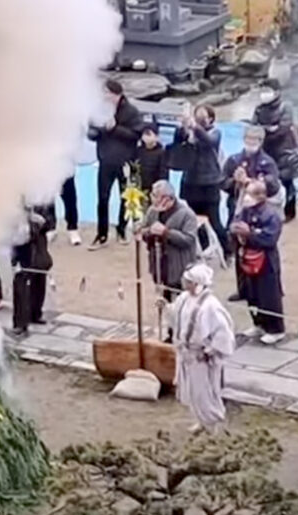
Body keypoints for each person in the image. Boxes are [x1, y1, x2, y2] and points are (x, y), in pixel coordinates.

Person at [171, 263, 236, 434]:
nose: (185, 284)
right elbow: (176, 316)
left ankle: (214, 424)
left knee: (205, 392)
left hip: (201, 357)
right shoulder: (184, 298)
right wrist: (165, 308)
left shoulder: (210, 306)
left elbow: (223, 332)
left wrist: (211, 351)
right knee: (192, 392)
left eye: (189, 281)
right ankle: (200, 420)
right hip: (186, 354)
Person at [221, 126, 281, 302]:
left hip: (259, 211)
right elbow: (222, 181)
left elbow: (273, 185)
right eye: (247, 140)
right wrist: (235, 181)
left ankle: (259, 289)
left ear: (261, 142)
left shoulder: (267, 162)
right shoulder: (234, 160)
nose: (250, 144)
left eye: (254, 141)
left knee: (256, 248)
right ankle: (242, 289)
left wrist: (249, 181)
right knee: (239, 248)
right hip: (238, 208)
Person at [139, 180, 198, 340]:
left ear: (167, 198)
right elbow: (142, 231)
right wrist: (149, 232)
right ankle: (170, 332)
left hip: (179, 265)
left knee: (182, 302)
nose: (152, 199)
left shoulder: (187, 215)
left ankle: (184, 334)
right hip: (160, 263)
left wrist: (167, 233)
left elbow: (189, 239)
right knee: (164, 300)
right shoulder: (153, 211)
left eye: (155, 196)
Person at [87, 79, 142, 250]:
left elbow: (135, 135)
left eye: (107, 93)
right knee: (102, 199)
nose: (104, 96)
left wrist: (115, 128)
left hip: (125, 161)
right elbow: (92, 131)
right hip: (105, 160)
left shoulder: (132, 112)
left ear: (117, 95)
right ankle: (101, 234)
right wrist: (95, 132)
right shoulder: (99, 110)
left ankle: (121, 229)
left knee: (125, 198)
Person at [230, 181, 286, 345]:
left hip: (266, 261)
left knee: (269, 295)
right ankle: (258, 323)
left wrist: (250, 233)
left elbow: (270, 239)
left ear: (261, 196)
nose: (246, 198)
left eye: (250, 194)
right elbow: (234, 224)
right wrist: (236, 230)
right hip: (247, 258)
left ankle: (276, 329)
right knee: (251, 293)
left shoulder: (271, 215)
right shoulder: (245, 211)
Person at [173, 105, 229, 258]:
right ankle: (205, 248)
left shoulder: (215, 132)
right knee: (195, 220)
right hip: (191, 181)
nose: (199, 120)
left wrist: (195, 127)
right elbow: (177, 141)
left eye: (203, 117)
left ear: (211, 119)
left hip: (209, 183)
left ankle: (227, 250)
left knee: (215, 220)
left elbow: (209, 141)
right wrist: (183, 126)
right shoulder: (190, 133)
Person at [253, 80, 298, 223]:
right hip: (266, 151)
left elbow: (283, 128)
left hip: (285, 151)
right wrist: (269, 129)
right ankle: (265, 212)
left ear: (277, 92)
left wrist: (266, 131)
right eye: (262, 91)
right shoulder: (259, 109)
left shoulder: (285, 108)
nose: (264, 95)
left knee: (287, 182)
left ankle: (290, 212)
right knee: (265, 182)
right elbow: (254, 126)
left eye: (267, 91)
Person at [11, 203, 54, 335]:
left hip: (38, 244)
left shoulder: (44, 198)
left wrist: (41, 221)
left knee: (39, 279)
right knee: (21, 281)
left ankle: (35, 313)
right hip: (20, 243)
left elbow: (51, 221)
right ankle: (20, 322)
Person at [135, 123, 168, 195]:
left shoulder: (162, 153)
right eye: (144, 134)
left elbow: (163, 173)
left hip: (153, 190)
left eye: (149, 134)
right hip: (138, 188)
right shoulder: (138, 151)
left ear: (156, 137)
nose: (146, 137)